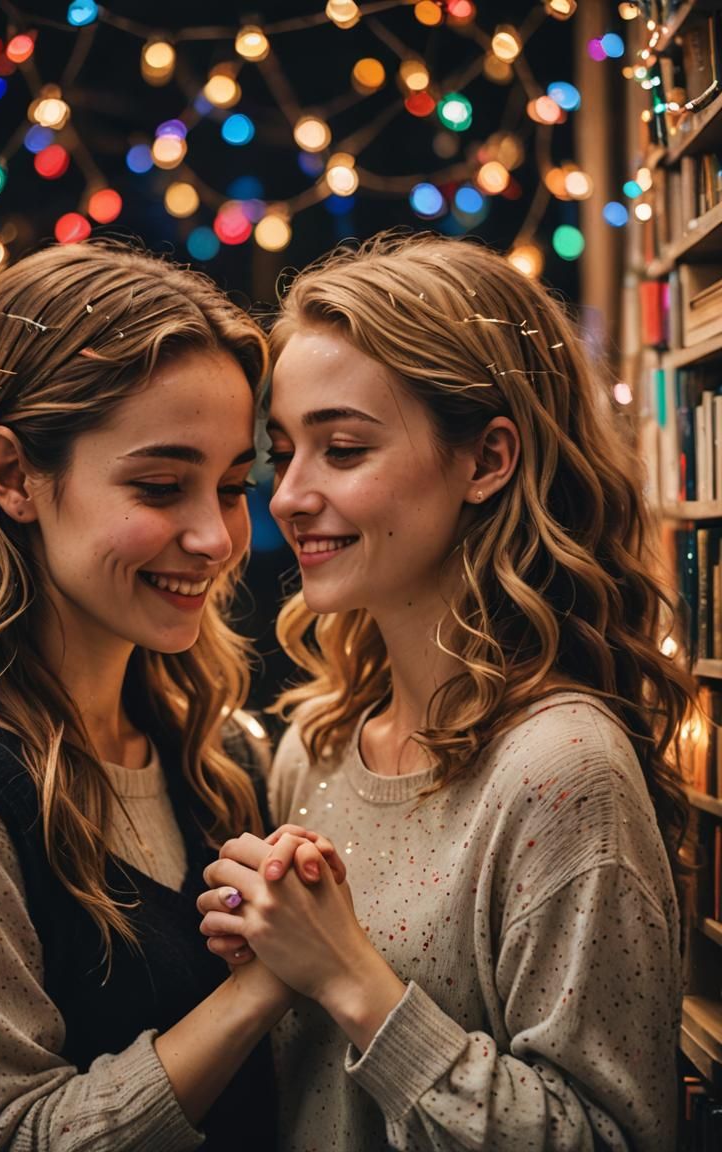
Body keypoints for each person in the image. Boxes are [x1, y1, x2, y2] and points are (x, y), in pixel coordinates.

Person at [0, 241, 341, 1152]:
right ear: (12, 476)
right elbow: (9, 1135)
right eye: (160, 486)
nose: (217, 537)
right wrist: (270, 983)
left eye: (231, 487)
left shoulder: (214, 753)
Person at [198, 231, 689, 1151]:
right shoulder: (317, 745)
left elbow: (612, 1136)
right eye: (283, 451)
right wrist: (257, 955)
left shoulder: (561, 770)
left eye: (343, 449)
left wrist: (348, 976)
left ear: (487, 461)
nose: (288, 495)